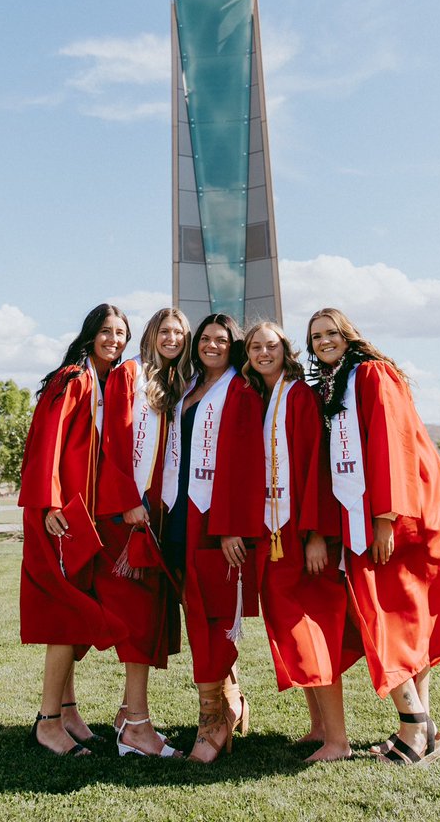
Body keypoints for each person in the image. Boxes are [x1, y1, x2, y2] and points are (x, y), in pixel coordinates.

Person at [306, 307, 440, 767]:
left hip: (398, 518)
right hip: (368, 514)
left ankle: (413, 728)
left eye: (331, 333)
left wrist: (384, 519)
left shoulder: (372, 374)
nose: (323, 341)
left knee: (384, 618)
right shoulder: (336, 384)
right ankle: (428, 731)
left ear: (349, 335)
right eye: (316, 336)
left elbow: (392, 445)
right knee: (401, 621)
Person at [243, 321, 359, 763]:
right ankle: (319, 727)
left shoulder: (300, 395)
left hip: (300, 533)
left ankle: (338, 741)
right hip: (272, 533)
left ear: (284, 350)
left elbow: (316, 467)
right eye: (254, 347)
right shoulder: (262, 398)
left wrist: (316, 536)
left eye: (270, 345)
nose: (262, 352)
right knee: (291, 630)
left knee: (314, 630)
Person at [18, 303, 131, 756]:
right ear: (90, 334)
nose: (115, 340)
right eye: (107, 332)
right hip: (59, 514)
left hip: (81, 516)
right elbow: (47, 441)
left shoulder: (107, 383)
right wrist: (47, 504)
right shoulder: (73, 378)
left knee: (75, 606)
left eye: (122, 333)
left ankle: (67, 712)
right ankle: (47, 722)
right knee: (65, 614)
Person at [162, 313, 265, 763]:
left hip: (213, 518)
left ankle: (213, 722)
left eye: (221, 340)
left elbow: (245, 463)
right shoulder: (187, 389)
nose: (211, 345)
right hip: (180, 512)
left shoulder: (239, 392)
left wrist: (230, 526)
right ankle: (229, 698)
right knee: (195, 610)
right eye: (204, 338)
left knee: (214, 614)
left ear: (233, 345)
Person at [95, 307, 192, 758]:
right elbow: (113, 441)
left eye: (180, 333)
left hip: (155, 517)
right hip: (126, 518)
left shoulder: (171, 385)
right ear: (152, 334)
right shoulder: (128, 375)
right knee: (136, 618)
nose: (173, 337)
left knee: (150, 615)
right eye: (166, 330)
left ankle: (125, 713)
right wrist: (128, 502)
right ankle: (136, 726)